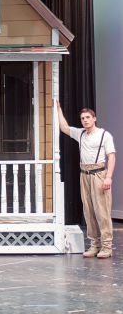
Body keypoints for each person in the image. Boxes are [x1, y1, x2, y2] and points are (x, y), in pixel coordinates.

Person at [57, 101, 116, 259]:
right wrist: (58, 108)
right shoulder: (81, 133)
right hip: (85, 174)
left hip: (99, 174)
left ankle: (106, 246)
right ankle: (94, 244)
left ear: (94, 118)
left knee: (102, 212)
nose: (85, 120)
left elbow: (111, 156)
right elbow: (64, 128)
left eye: (88, 117)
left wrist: (108, 177)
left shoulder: (104, 135)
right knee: (89, 211)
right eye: (83, 118)